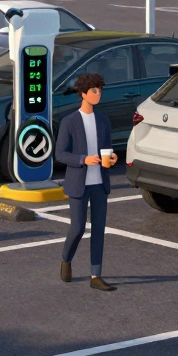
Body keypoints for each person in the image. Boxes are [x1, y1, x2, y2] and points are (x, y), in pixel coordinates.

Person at [55, 73, 117, 291]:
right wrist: (83, 159)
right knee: (78, 227)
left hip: (100, 183)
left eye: (100, 90)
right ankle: (66, 258)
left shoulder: (103, 120)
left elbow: (108, 147)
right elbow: (60, 154)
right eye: (94, 91)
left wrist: (113, 158)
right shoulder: (69, 122)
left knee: (99, 229)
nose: (98, 94)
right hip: (78, 184)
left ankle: (95, 275)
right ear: (83, 94)